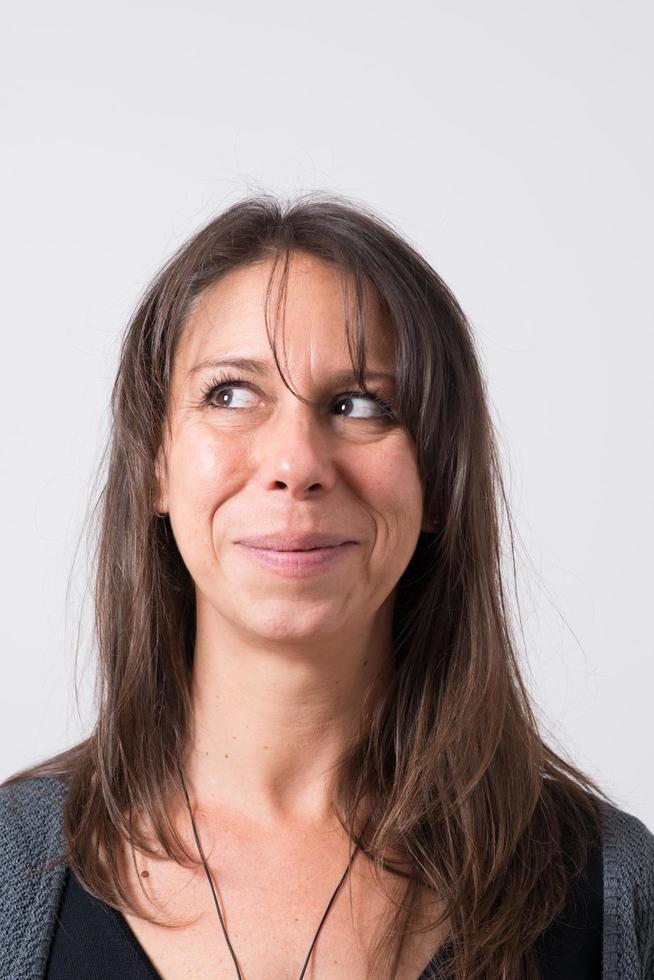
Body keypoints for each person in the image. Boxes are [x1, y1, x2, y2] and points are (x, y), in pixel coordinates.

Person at [1, 192, 652, 980]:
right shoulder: (13, 872)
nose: (296, 464)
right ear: (154, 466)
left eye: (361, 404)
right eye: (231, 394)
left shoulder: (609, 892)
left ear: (441, 480)